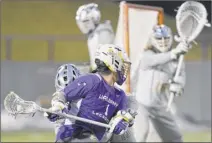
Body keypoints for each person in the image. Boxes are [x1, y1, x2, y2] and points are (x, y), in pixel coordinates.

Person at [47, 44, 136, 142]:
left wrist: (123, 121)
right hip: (72, 135)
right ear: (113, 62)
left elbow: (122, 115)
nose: (125, 70)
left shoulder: (120, 95)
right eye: (123, 65)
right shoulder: (91, 81)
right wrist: (58, 106)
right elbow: (62, 94)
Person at [133, 24, 191, 142]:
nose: (163, 41)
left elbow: (180, 78)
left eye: (166, 38)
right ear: (152, 40)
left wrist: (178, 86)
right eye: (159, 38)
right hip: (141, 104)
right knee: (140, 135)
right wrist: (174, 53)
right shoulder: (146, 54)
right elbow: (153, 60)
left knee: (175, 138)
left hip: (160, 106)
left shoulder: (177, 61)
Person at [75, 3, 115, 71]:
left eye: (86, 21)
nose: (83, 25)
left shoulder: (103, 33)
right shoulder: (94, 35)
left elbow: (107, 61)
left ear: (94, 19)